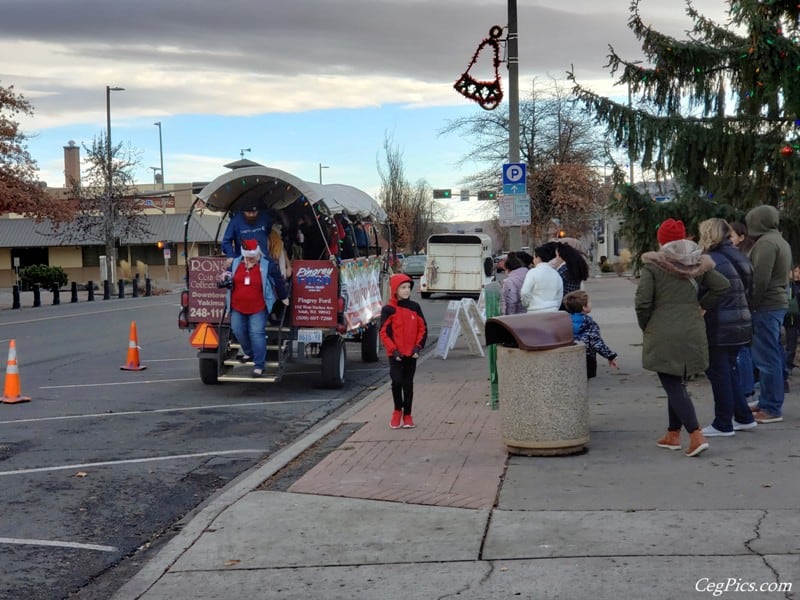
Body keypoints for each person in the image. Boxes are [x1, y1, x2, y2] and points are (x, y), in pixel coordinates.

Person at [635, 218, 730, 457]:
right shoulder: (698, 264)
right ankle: (672, 434)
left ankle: (696, 435)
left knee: (672, 383)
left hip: (664, 331)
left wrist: (646, 325)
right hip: (692, 330)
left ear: (661, 241)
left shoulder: (653, 267)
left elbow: (643, 302)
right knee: (677, 380)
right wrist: (701, 306)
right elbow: (723, 285)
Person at [696, 218, 757, 436]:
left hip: (719, 323)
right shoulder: (739, 255)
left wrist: (701, 306)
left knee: (719, 373)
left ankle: (723, 423)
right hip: (741, 322)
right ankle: (743, 416)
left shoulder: (709, 259)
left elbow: (706, 290)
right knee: (728, 372)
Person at [745, 205, 792, 423]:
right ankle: (767, 400)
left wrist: (752, 303)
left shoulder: (765, 243)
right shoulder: (779, 240)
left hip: (766, 305)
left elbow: (760, 278)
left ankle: (772, 407)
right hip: (776, 303)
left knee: (767, 357)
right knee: (769, 354)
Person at [226, 239, 289, 378]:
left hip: (258, 306)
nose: (250, 259)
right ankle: (249, 353)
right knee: (237, 330)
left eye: (252, 257)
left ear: (258, 254)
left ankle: (259, 365)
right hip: (237, 305)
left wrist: (284, 296)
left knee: (256, 333)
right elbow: (227, 275)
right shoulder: (236, 263)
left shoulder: (267, 264)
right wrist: (224, 278)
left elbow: (277, 280)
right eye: (247, 257)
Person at [379, 273, 427, 429]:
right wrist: (393, 350)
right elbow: (384, 332)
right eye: (403, 287)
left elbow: (422, 328)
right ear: (395, 289)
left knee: (408, 384)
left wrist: (418, 347)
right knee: (396, 381)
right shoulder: (388, 310)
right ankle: (396, 411)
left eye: (408, 287)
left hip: (411, 353)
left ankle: (407, 414)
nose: (407, 291)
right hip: (396, 354)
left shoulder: (415, 307)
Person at [562, 290, 619, 378]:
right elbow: (597, 343)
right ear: (584, 307)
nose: (591, 303)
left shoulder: (564, 321)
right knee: (586, 381)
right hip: (587, 357)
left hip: (568, 356)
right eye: (589, 302)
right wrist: (610, 356)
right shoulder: (589, 324)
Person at [520, 244, 563, 312]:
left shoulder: (532, 272)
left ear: (538, 258)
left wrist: (526, 304)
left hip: (535, 310)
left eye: (534, 257)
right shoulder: (556, 274)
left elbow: (525, 292)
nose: (533, 260)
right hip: (553, 310)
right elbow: (559, 295)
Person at [784, 264, 800, 381]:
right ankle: (787, 366)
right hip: (792, 318)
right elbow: (789, 297)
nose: (797, 275)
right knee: (791, 343)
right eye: (796, 271)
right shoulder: (789, 285)